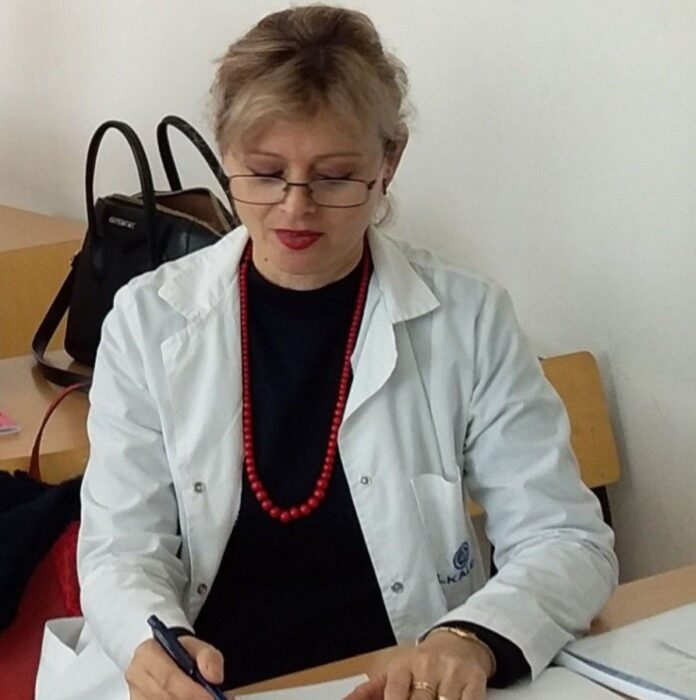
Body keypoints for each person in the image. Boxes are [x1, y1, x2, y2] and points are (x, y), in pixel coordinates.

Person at [35, 5, 618, 700]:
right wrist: (153, 640)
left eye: (335, 177)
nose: (295, 207)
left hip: (392, 685)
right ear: (226, 156)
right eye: (265, 173)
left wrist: (469, 639)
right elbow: (121, 550)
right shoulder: (148, 321)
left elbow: (565, 538)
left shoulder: (468, 319)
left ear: (388, 162)